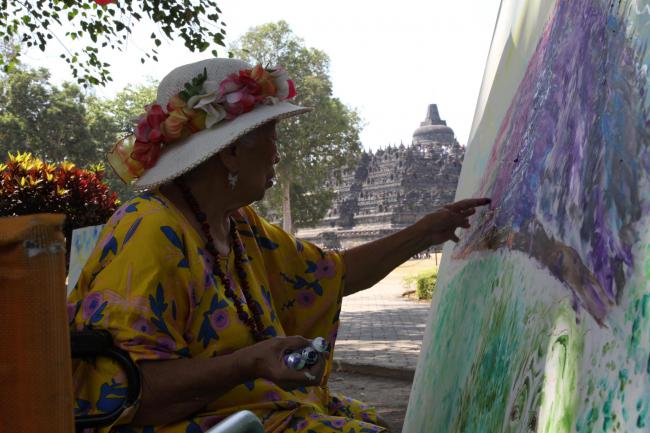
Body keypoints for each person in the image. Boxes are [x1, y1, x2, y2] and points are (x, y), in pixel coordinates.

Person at [68, 57, 490, 433]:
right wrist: (248, 363)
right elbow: (122, 392)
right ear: (231, 153)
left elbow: (331, 275)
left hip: (254, 411)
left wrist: (426, 231)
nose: (276, 155)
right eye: (271, 137)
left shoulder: (239, 226)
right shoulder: (150, 233)